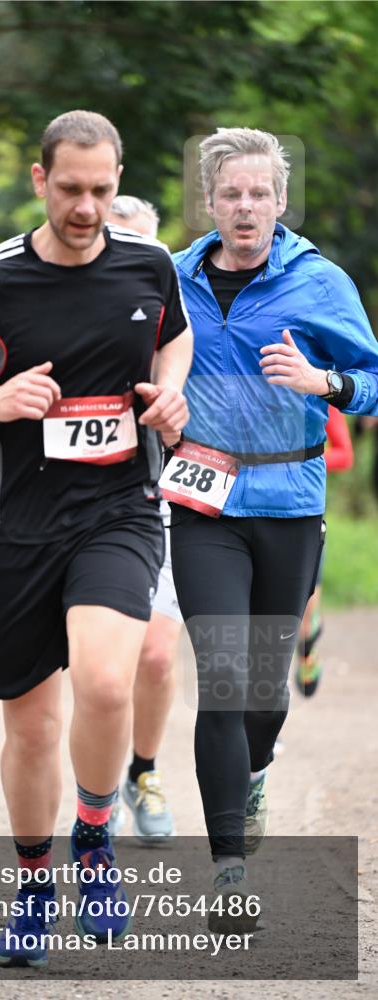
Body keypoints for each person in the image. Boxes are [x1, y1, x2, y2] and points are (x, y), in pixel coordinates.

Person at [0, 110, 193, 966]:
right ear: (38, 180)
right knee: (30, 727)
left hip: (117, 510)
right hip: (12, 524)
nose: (85, 208)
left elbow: (174, 338)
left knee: (106, 682)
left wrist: (170, 393)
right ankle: (32, 889)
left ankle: (92, 841)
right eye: (69, 189)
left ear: (117, 179)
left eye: (100, 189)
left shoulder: (148, 263)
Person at [165, 126, 378, 932]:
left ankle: (254, 772)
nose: (244, 206)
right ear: (209, 202)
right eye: (230, 193)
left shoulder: (319, 282)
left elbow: (372, 379)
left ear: (280, 201)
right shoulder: (171, 277)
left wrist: (323, 381)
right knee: (222, 679)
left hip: (289, 503)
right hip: (202, 504)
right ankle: (228, 872)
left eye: (259, 193)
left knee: (263, 691)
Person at [106, 196, 183, 843]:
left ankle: (144, 771)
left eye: (141, 246)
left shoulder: (179, 314)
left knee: (155, 657)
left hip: (162, 501)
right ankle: (96, 788)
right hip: (81, 508)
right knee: (99, 667)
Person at [296, 407, 353, 697]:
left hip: (306, 510)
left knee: (305, 608)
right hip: (254, 508)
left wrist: (299, 459)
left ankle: (308, 644)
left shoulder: (318, 393)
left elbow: (345, 454)